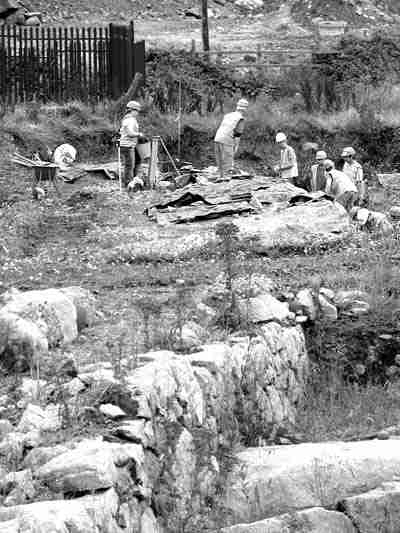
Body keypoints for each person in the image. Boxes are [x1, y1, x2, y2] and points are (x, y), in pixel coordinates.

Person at [214, 98, 249, 181]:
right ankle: (225, 181)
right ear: (245, 109)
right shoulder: (240, 118)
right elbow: (237, 134)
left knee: (220, 163)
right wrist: (235, 147)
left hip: (217, 138)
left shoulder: (228, 115)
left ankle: (220, 177)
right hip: (227, 139)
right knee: (227, 163)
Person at [119, 100, 142, 188]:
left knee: (136, 162)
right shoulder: (129, 119)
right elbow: (130, 133)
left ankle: (134, 179)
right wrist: (139, 134)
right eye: (137, 111)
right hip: (127, 146)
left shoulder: (128, 118)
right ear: (133, 110)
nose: (138, 113)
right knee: (129, 165)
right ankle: (128, 183)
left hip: (130, 145)